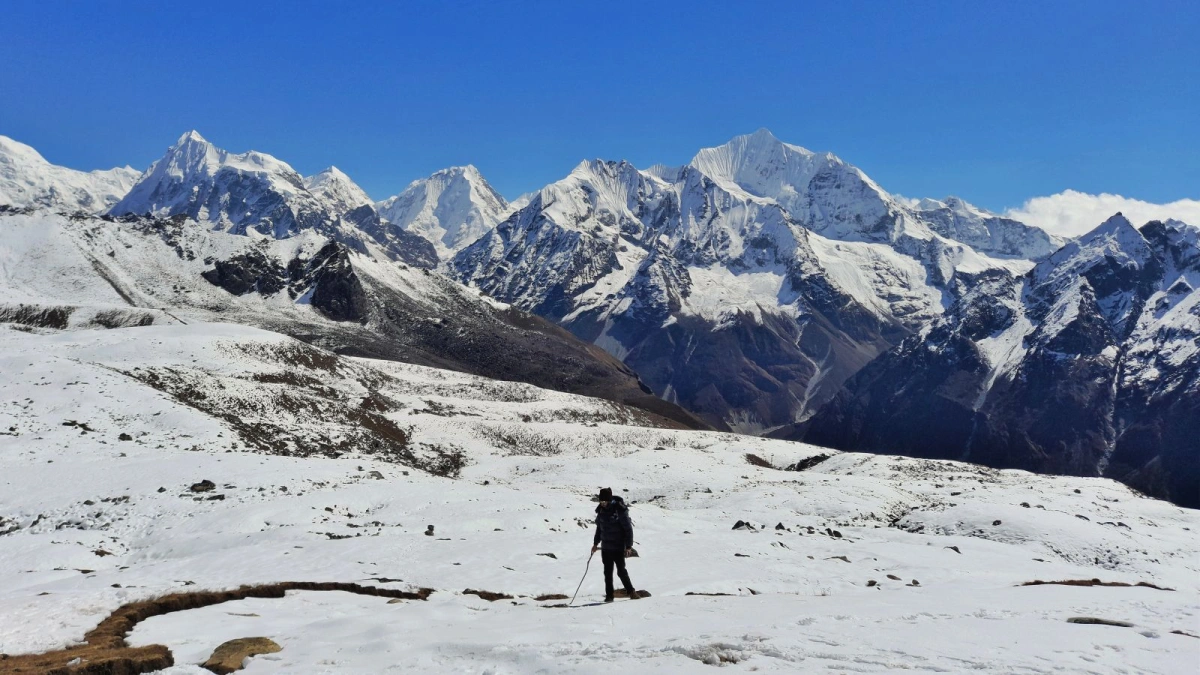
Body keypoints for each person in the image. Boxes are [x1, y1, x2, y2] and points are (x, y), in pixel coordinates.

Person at [591, 487, 639, 602]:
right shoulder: (601, 511)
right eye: (601, 501)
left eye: (604, 501)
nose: (602, 503)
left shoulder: (619, 510)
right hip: (606, 547)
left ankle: (631, 592)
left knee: (621, 571)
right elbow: (599, 528)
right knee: (607, 573)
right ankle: (609, 596)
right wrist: (595, 543)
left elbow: (628, 529)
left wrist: (628, 546)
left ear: (609, 500)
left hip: (618, 546)